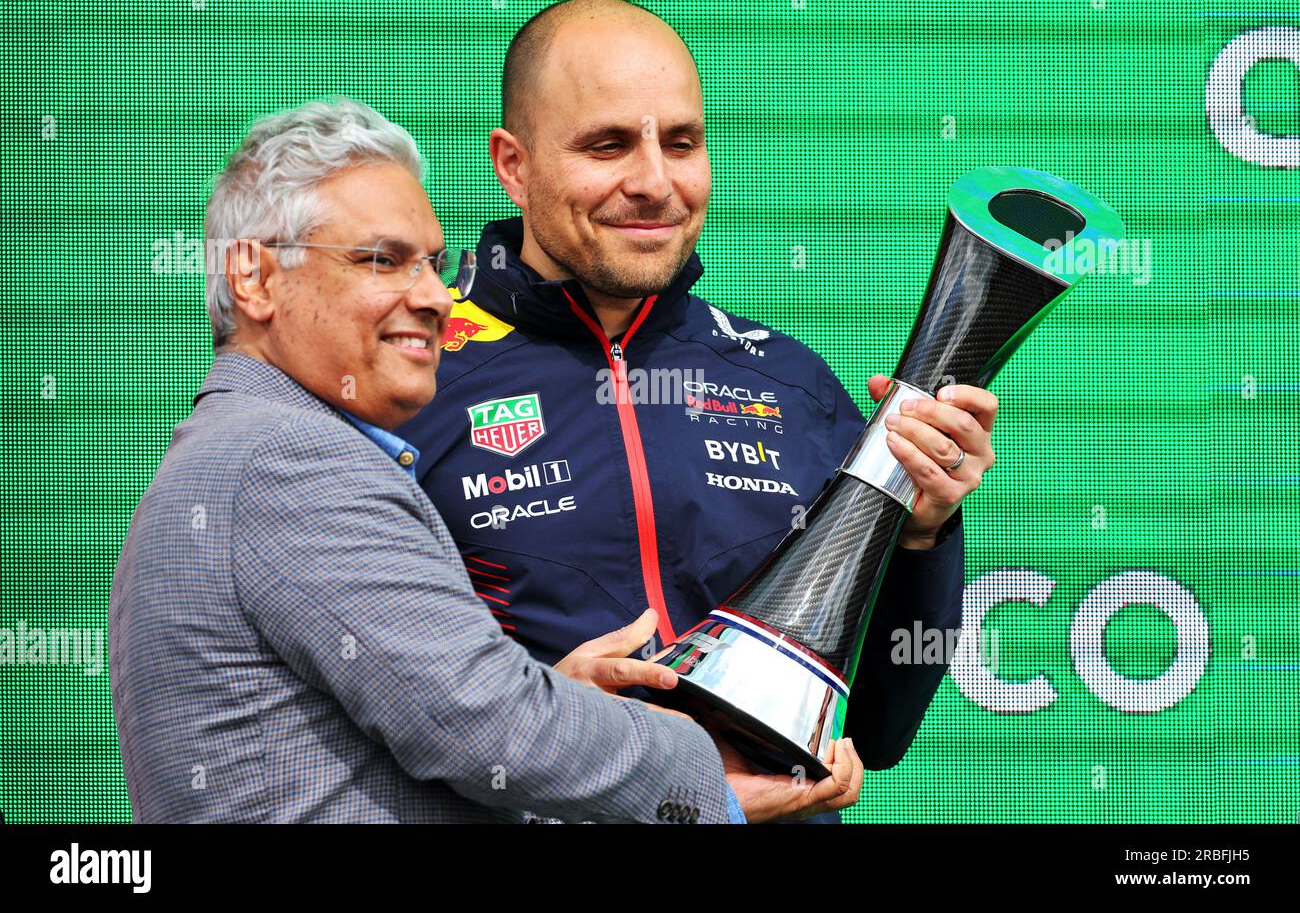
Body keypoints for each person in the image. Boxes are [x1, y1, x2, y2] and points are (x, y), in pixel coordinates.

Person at [109, 97, 862, 823]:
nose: (435, 295)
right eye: (384, 260)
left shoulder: (240, 449)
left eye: (433, 262)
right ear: (255, 276)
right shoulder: (289, 459)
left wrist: (545, 696)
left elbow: (469, 728)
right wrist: (709, 770)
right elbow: (483, 723)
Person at [395, 0, 1000, 819]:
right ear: (515, 162)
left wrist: (924, 529)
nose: (654, 182)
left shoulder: (791, 384)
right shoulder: (410, 383)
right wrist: (554, 715)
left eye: (681, 142)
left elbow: (882, 728)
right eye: (607, 145)